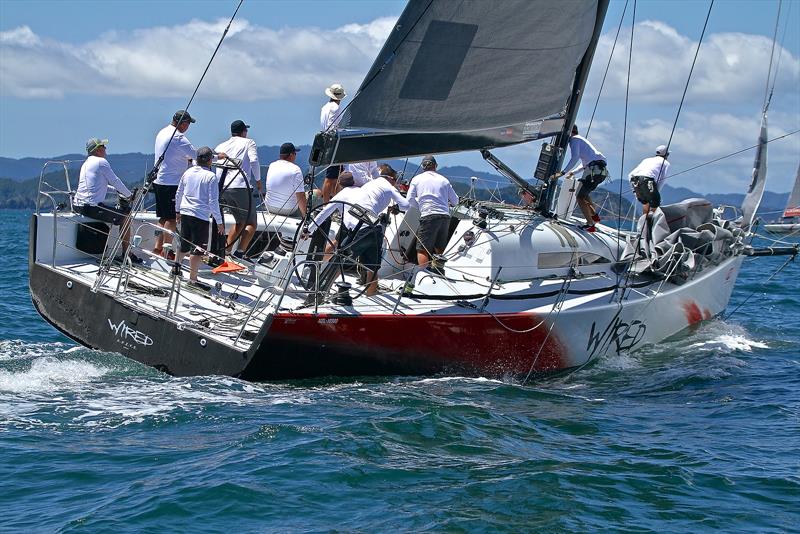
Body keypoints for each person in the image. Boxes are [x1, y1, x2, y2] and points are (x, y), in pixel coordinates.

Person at [305, 164, 408, 296]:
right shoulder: (365, 189)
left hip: (358, 230)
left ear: (340, 185)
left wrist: (308, 231)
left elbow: (324, 213)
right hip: (375, 229)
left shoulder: (346, 193)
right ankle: (370, 297)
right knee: (372, 269)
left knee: (339, 261)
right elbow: (403, 205)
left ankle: (318, 293)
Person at [74, 137, 142, 263]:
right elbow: (115, 181)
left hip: (78, 205)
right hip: (91, 207)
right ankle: (126, 254)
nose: (106, 149)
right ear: (98, 149)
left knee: (116, 213)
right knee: (126, 217)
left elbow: (101, 185)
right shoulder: (101, 162)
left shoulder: (86, 163)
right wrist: (129, 195)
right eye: (103, 146)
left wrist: (117, 191)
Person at [174, 147, 224, 290]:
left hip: (185, 212)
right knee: (198, 249)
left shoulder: (188, 172)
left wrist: (177, 210)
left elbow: (179, 193)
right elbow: (213, 202)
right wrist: (219, 222)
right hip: (200, 216)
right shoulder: (210, 177)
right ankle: (193, 280)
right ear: (210, 160)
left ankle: (176, 269)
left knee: (183, 244)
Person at [152, 110, 197, 257]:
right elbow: (197, 155)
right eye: (188, 124)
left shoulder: (162, 132)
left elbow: (173, 153)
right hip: (171, 183)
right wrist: (217, 156)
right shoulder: (178, 137)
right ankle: (167, 250)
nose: (188, 127)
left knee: (163, 217)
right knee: (171, 218)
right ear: (183, 123)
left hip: (159, 180)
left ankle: (157, 248)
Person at [215, 119, 261, 259]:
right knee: (251, 222)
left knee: (239, 221)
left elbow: (217, 164)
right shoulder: (249, 142)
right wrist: (258, 181)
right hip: (241, 186)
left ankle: (226, 252)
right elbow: (253, 160)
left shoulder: (221, 145)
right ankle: (239, 253)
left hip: (223, 188)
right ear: (243, 132)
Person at [406, 155, 459, 269]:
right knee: (440, 247)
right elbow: (455, 201)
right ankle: (438, 271)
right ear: (436, 166)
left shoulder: (417, 179)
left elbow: (409, 200)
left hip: (429, 215)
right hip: (445, 216)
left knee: (422, 249)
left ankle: (424, 274)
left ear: (422, 167)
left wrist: (421, 207)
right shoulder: (444, 180)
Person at [559, 125, 608, 232]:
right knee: (584, 194)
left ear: (569, 132)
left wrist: (563, 172)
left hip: (593, 171)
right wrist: (573, 172)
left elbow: (575, 157)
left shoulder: (574, 140)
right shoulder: (581, 140)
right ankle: (594, 216)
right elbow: (585, 163)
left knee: (579, 197)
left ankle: (590, 224)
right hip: (601, 172)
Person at [320, 83, 346, 202]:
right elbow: (332, 126)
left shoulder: (325, 107)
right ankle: (327, 204)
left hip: (326, 143)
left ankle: (332, 203)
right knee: (331, 177)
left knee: (335, 177)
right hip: (333, 144)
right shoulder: (336, 108)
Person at [265, 143, 307, 217]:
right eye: (295, 154)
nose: (295, 156)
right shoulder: (296, 170)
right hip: (288, 210)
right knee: (317, 194)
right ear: (291, 155)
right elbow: (300, 196)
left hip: (269, 207)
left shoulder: (272, 165)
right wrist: (305, 216)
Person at [628, 145, 671, 216]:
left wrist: (634, 191)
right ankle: (653, 226)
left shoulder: (646, 160)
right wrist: (656, 193)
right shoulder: (666, 163)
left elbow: (630, 175)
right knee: (655, 204)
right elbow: (662, 180)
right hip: (647, 179)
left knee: (645, 203)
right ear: (666, 154)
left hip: (635, 180)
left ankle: (644, 225)